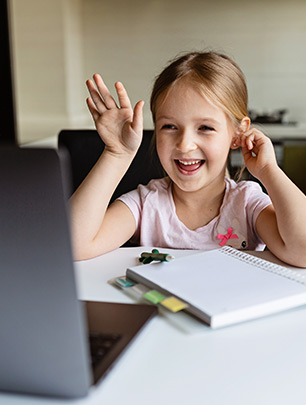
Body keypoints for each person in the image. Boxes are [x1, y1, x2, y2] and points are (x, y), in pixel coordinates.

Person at [69, 51, 306, 268]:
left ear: (237, 134)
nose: (184, 144)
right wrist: (116, 154)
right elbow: (73, 244)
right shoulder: (147, 205)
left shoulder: (247, 204)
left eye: (205, 127)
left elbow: (302, 251)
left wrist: (268, 171)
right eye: (170, 126)